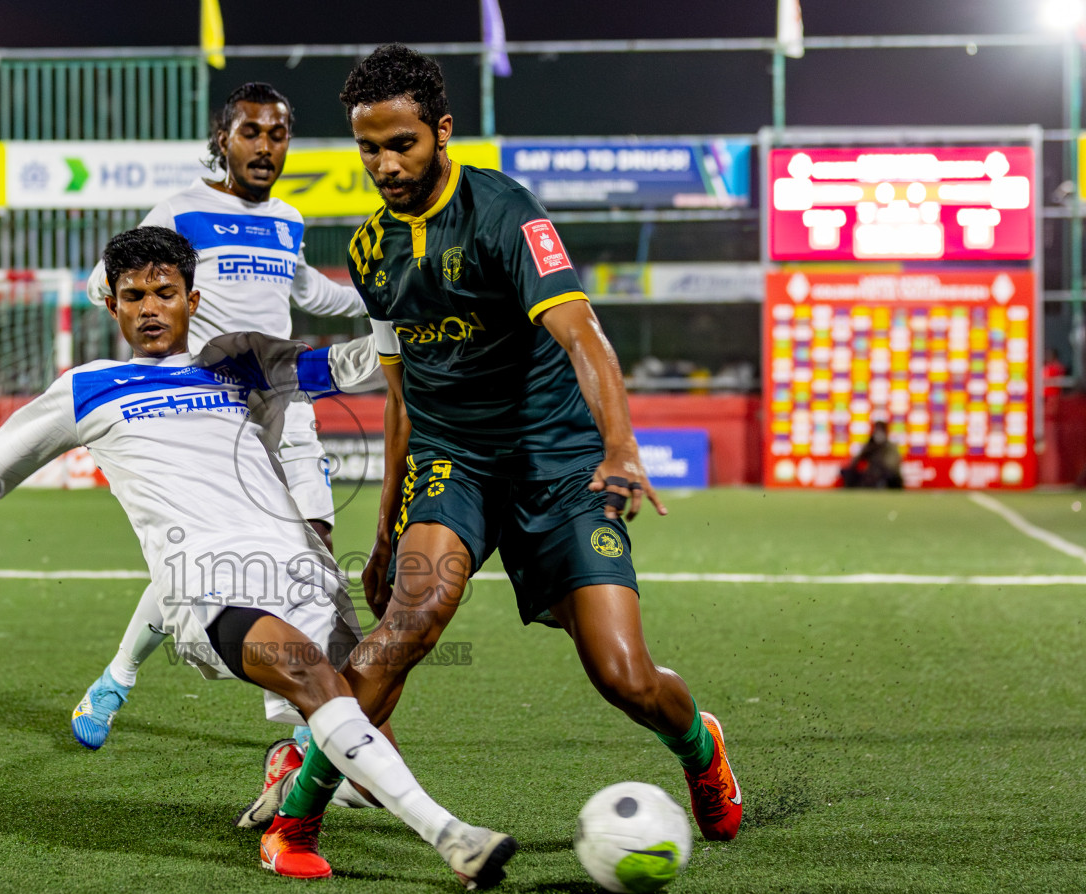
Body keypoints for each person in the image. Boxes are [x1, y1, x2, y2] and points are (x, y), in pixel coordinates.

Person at [0, 226, 517, 888]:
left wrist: (401, 308)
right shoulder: (89, 388)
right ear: (113, 306)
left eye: (165, 292)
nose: (150, 308)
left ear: (193, 299)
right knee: (318, 683)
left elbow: (359, 364)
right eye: (133, 296)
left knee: (354, 747)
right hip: (208, 586)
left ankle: (292, 808)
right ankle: (452, 837)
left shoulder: (243, 366)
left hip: (304, 576)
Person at [262, 45, 743, 845]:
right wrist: (385, 532)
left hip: (555, 461)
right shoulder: (370, 251)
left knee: (622, 675)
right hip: (455, 463)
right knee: (407, 625)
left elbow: (582, 334)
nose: (384, 164)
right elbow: (403, 395)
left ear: (442, 130)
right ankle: (298, 820)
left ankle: (701, 747)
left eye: (401, 144)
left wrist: (620, 448)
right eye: (368, 148)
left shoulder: (505, 214)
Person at [70, 82, 371, 767]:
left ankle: (300, 719)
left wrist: (378, 297)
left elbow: (304, 291)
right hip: (213, 416)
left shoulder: (289, 218)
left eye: (278, 133)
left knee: (314, 549)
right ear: (223, 140)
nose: (265, 146)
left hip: (286, 407)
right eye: (251, 133)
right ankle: (118, 677)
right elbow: (102, 283)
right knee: (199, 558)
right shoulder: (181, 210)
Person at [840, 421, 903, 489]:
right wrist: (869, 446)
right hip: (872, 473)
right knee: (849, 473)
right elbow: (855, 461)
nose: (878, 433)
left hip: (887, 474)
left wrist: (880, 448)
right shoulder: (871, 444)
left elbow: (890, 465)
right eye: (877, 430)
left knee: (884, 475)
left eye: (881, 430)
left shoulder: (890, 446)